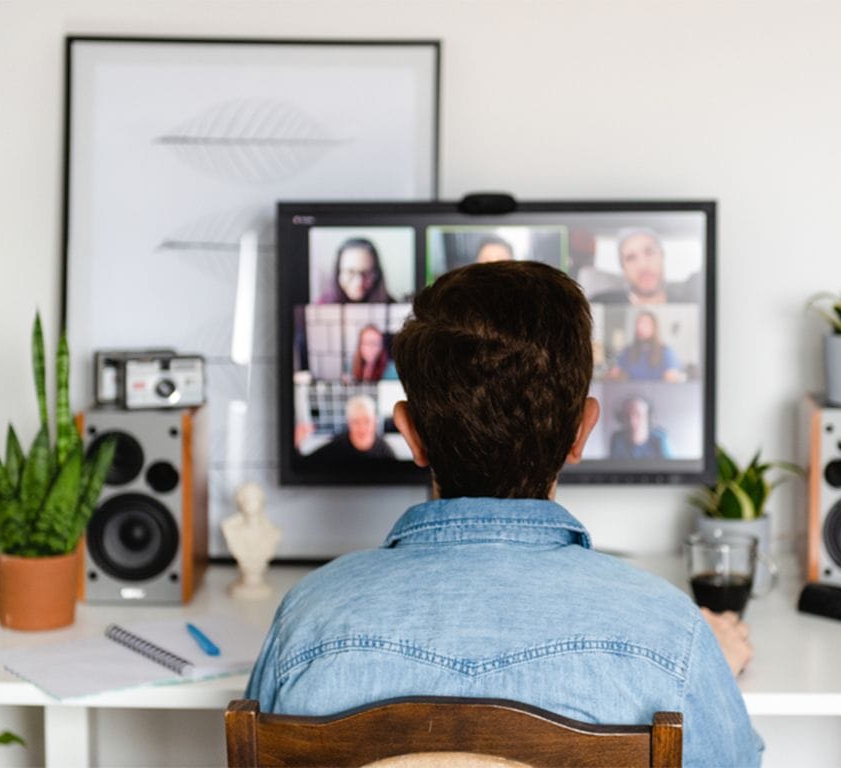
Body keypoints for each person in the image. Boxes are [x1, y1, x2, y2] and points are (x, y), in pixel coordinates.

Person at [247, 262, 761, 767]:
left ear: (410, 434)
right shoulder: (670, 635)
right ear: (583, 432)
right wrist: (704, 667)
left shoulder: (307, 622)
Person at [589, 228, 701, 305]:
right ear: (623, 269)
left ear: (662, 256)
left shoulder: (688, 305)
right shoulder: (599, 304)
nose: (643, 265)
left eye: (649, 252)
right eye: (631, 258)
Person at [220, 482, 281, 600]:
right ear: (239, 502)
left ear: (261, 501)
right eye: (245, 498)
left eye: (254, 498)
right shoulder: (229, 529)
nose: (249, 502)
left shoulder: (273, 532)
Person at [308, 394, 396, 461]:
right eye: (356, 422)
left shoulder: (386, 451)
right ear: (349, 423)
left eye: (367, 421)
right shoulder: (335, 446)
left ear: (374, 422)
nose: (362, 427)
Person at [607, 310, 685, 381]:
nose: (640, 327)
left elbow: (671, 379)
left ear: (654, 328)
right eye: (638, 323)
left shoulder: (666, 352)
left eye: (645, 324)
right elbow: (614, 374)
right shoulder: (628, 351)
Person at [317, 237, 394, 304]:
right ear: (338, 272)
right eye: (350, 272)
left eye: (367, 273)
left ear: (377, 274)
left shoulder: (394, 307)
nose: (359, 282)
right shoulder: (320, 306)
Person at [609, 394, 671, 459]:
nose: (632, 421)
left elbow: (668, 466)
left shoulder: (660, 437)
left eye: (638, 415)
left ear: (648, 418)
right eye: (627, 416)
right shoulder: (617, 438)